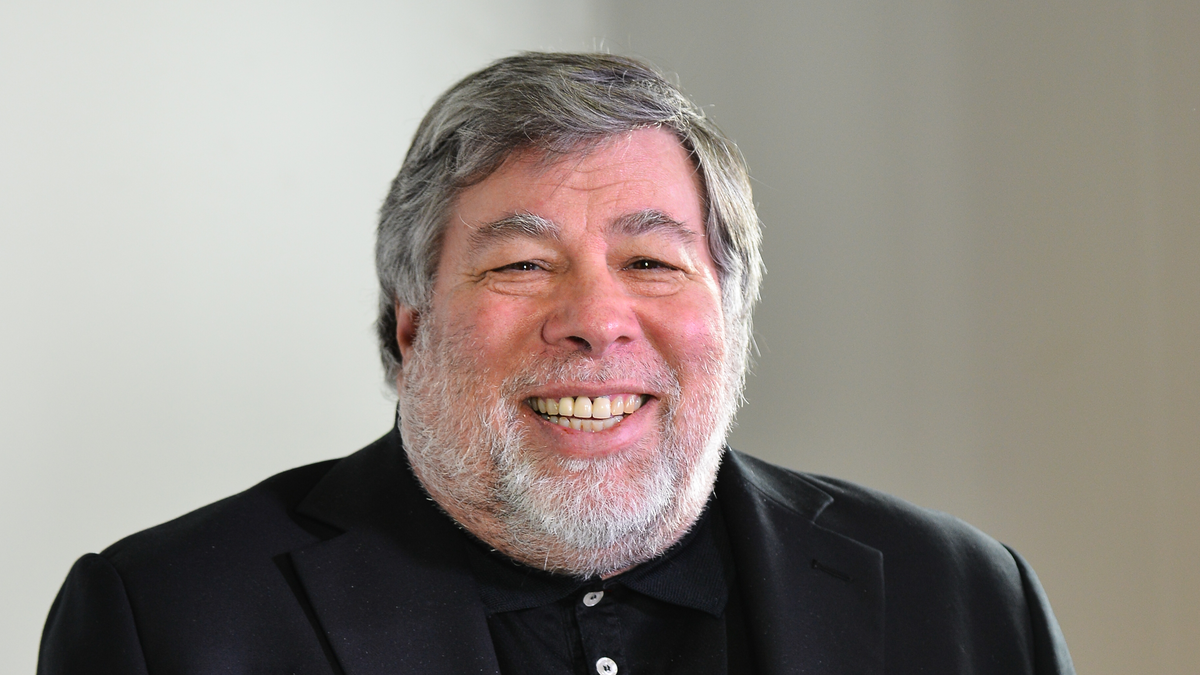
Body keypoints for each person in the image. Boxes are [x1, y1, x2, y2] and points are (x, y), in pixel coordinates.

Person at [39, 52, 1075, 674]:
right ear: (410, 326)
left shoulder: (968, 600)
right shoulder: (166, 621)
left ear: (732, 318)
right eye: (523, 264)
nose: (595, 321)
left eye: (652, 261)